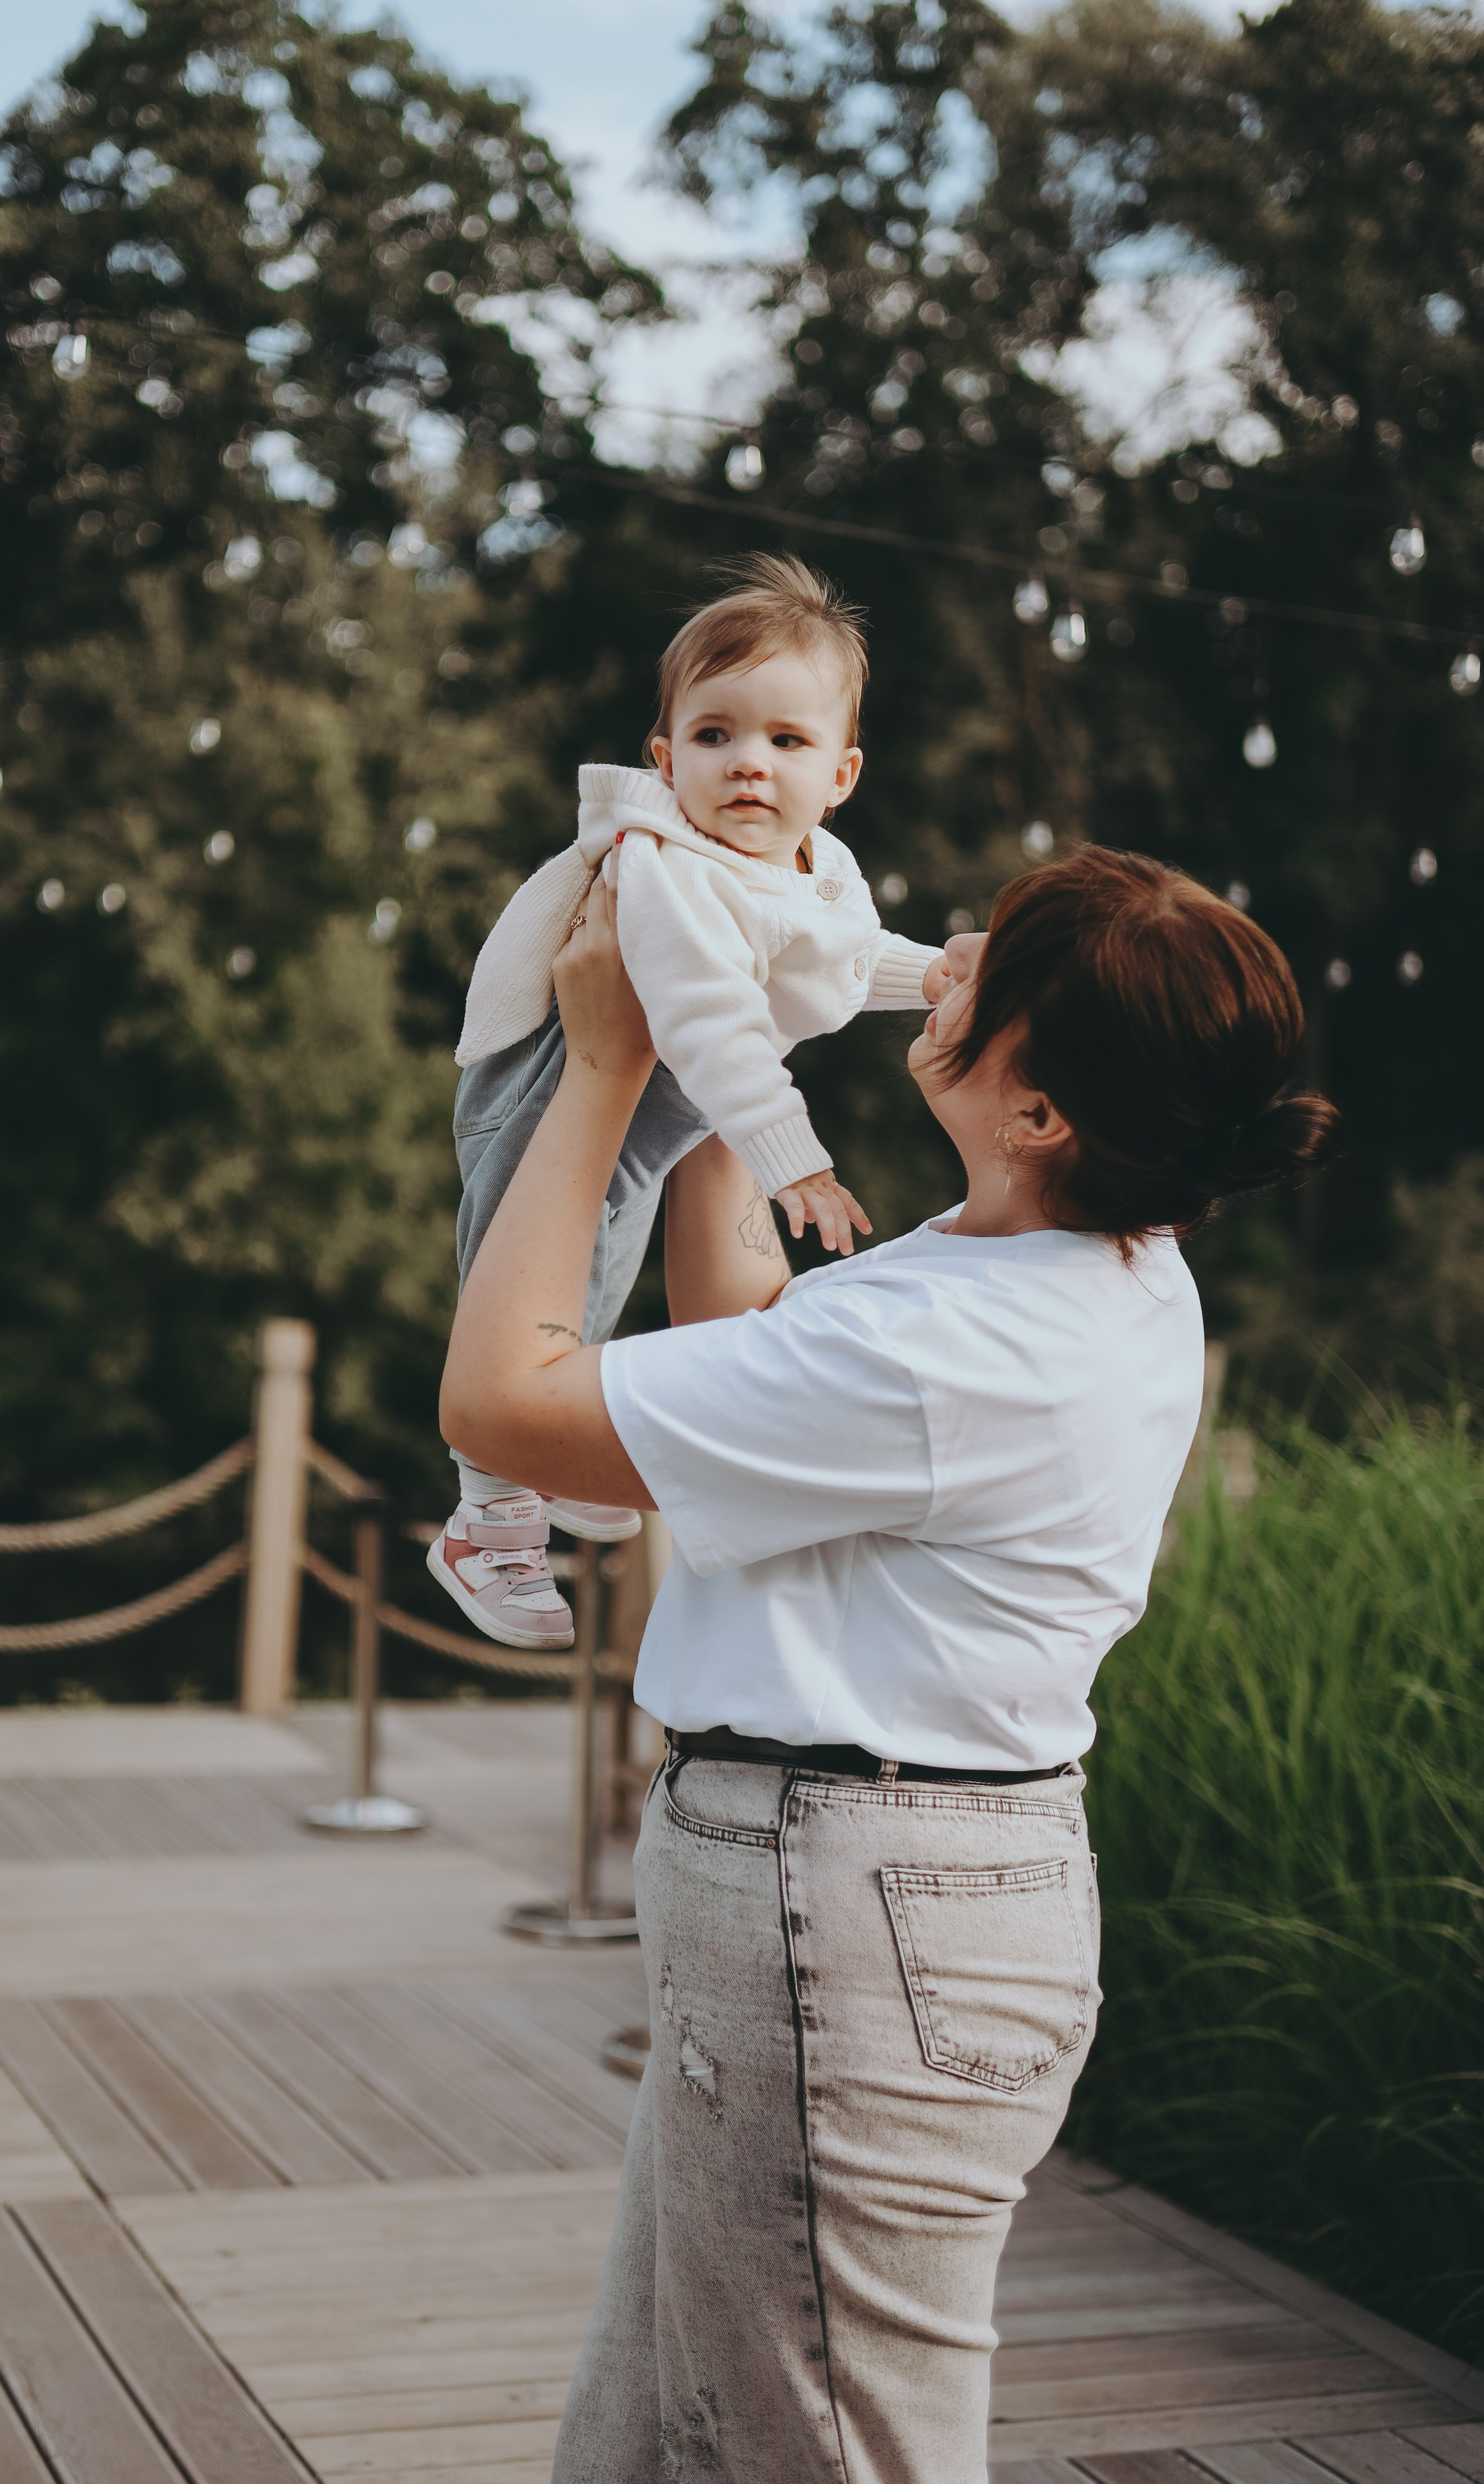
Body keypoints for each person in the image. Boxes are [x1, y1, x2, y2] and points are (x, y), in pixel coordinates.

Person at [439, 842, 1339, 2484]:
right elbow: (750, 1343)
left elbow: (504, 1403)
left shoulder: (949, 1343)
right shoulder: (1060, 1270)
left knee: (824, 2451)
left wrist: (600, 1066)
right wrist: (731, 1050)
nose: (959, 951)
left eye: (1003, 966)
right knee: (651, 2439)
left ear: (1040, 1112)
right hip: (886, 1896)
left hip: (846, 1915)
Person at [430, 556, 943, 1651]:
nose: (748, 766)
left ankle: (558, 1459)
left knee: (604, 1248)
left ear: (843, 773)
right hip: (547, 1077)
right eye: (714, 737)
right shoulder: (672, 867)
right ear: (665, 757)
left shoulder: (814, 868)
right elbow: (714, 1018)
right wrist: (787, 1158)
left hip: (649, 1103)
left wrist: (937, 973)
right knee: (559, 1262)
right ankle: (490, 1516)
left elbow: (842, 958)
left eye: (785, 742)